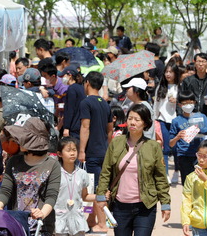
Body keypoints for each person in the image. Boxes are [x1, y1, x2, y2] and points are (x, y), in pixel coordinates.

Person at [96, 104, 171, 236]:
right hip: (120, 206)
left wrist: (165, 203)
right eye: (130, 118)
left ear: (145, 123)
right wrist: (101, 194)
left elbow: (160, 178)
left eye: (137, 119)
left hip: (145, 206)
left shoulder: (153, 146)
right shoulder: (116, 142)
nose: (132, 122)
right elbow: (106, 171)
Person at [0, 117, 61, 235]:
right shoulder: (13, 161)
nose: (18, 140)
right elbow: (5, 190)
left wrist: (42, 213)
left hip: (42, 226)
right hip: (16, 224)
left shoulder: (52, 164)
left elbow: (51, 196)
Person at [77, 71, 113, 232]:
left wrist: (81, 150)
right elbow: (110, 130)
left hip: (91, 152)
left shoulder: (86, 103)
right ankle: (92, 219)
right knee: (97, 187)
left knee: (97, 189)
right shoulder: (105, 103)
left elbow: (85, 127)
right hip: (104, 151)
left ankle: (102, 224)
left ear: (87, 83)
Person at [169, 91, 207, 184]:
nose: (188, 105)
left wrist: (199, 129)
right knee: (187, 183)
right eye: (185, 103)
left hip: (200, 155)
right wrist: (177, 137)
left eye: (190, 102)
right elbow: (171, 143)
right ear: (180, 105)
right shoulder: (176, 121)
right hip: (183, 155)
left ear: (195, 103)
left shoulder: (201, 117)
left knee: (200, 182)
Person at [54, 137, 95, 236]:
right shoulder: (55, 174)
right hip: (60, 219)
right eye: (68, 150)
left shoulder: (82, 174)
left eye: (74, 150)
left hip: (78, 219)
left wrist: (100, 197)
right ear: (59, 154)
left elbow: (85, 196)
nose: (72, 153)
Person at [154, 61, 180, 176]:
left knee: (175, 148)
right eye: (166, 72)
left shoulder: (179, 87)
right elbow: (156, 104)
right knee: (165, 148)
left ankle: (176, 171)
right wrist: (155, 118)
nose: (168, 74)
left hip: (175, 120)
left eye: (171, 72)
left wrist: (177, 101)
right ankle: (165, 175)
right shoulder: (160, 87)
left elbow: (186, 103)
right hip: (163, 120)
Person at [179, 53, 207, 117]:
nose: (201, 64)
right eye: (198, 61)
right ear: (195, 64)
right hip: (191, 115)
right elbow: (181, 99)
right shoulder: (187, 81)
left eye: (203, 62)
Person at [61, 66, 85, 138]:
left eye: (64, 75)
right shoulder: (81, 87)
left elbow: (70, 109)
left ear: (69, 75)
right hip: (80, 124)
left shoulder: (72, 89)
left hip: (73, 126)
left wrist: (66, 127)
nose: (62, 78)